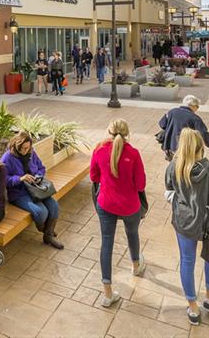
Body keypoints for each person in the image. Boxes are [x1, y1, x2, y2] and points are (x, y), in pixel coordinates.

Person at [165, 128, 209, 326]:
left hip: (185, 222)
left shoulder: (174, 168)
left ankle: (193, 308)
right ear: (200, 147)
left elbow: (169, 188)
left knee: (187, 261)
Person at [90, 119, 146, 307]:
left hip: (105, 203)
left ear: (109, 132)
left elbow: (94, 176)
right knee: (132, 234)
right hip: (129, 205)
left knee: (107, 242)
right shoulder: (134, 154)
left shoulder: (99, 149)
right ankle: (136, 266)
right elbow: (140, 185)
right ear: (127, 133)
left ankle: (107, 293)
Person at [1, 131, 63, 249]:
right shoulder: (7, 157)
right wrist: (20, 178)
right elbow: (4, 179)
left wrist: (39, 176)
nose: (26, 151)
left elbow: (41, 167)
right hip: (19, 193)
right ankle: (47, 232)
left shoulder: (31, 152)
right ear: (16, 145)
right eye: (23, 148)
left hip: (36, 189)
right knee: (41, 212)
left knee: (54, 205)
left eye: (28, 148)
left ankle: (48, 236)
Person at [159, 95, 209, 161]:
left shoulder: (171, 111)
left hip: (169, 147)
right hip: (184, 149)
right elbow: (204, 134)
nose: (197, 109)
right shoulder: (195, 118)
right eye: (197, 106)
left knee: (174, 166)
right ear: (192, 106)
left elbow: (162, 124)